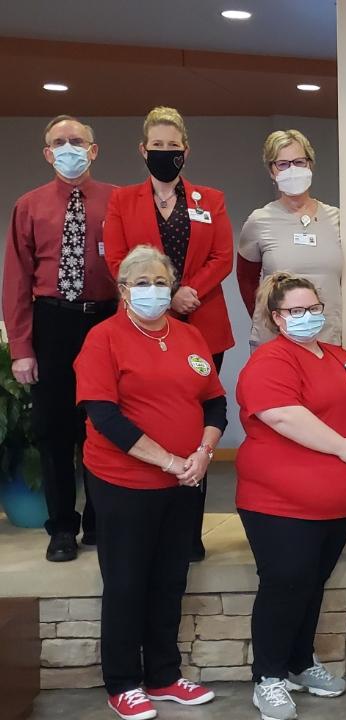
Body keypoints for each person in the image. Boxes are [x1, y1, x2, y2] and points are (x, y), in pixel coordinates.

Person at [74, 245, 225, 720]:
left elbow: (215, 403)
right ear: (122, 291)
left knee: (170, 579)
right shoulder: (104, 338)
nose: (153, 290)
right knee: (126, 581)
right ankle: (122, 681)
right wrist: (167, 460)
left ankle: (162, 675)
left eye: (161, 281)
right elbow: (102, 415)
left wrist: (201, 453)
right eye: (141, 283)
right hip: (123, 481)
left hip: (185, 479)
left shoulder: (189, 337)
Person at [234, 272, 346, 720]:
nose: (308, 317)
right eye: (296, 311)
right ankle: (269, 677)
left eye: (313, 308)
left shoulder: (342, 358)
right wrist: (343, 447)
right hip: (279, 506)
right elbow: (282, 417)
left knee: (311, 585)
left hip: (336, 505)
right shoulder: (271, 360)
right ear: (278, 318)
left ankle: (299, 662)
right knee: (285, 585)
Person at [103, 106, 235, 562]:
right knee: (150, 417)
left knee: (198, 425)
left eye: (172, 146)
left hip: (201, 321)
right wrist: (163, 294)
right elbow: (117, 257)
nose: (164, 152)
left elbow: (223, 256)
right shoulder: (122, 200)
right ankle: (147, 519)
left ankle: (189, 529)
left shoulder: (210, 199)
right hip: (141, 324)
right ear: (143, 150)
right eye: (156, 146)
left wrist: (186, 293)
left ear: (186, 151)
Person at [3, 115, 117, 562]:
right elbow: (16, 281)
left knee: (103, 425)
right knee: (54, 431)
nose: (68, 148)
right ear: (48, 154)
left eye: (77, 141)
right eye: (59, 143)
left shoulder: (120, 201)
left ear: (93, 150)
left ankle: (99, 522)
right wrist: (21, 349)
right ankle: (62, 528)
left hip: (105, 321)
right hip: (52, 321)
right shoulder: (29, 206)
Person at [237, 129, 343, 347]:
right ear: (271, 171)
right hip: (275, 338)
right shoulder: (259, 220)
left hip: (327, 336)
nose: (292, 170)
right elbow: (246, 279)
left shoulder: (337, 219)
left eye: (299, 162)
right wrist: (266, 317)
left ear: (310, 164)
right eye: (283, 164)